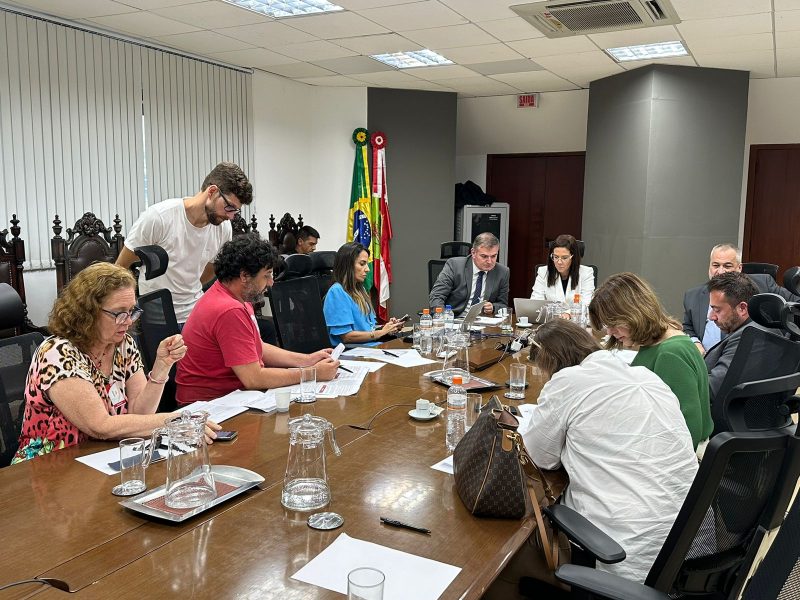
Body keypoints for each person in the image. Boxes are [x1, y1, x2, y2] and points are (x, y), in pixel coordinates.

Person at [485, 320, 697, 597]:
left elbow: (540, 457)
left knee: (509, 553)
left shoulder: (568, 381)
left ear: (551, 361)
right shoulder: (646, 376)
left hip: (624, 551)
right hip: (690, 541)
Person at [12, 263, 219, 464]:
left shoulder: (122, 343)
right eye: (119, 313)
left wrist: (162, 367)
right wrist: (175, 421)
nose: (128, 321)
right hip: (49, 465)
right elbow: (100, 426)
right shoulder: (58, 353)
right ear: (88, 312)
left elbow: (140, 415)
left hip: (103, 456)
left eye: (131, 312)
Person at [176, 235, 339, 404]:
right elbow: (253, 378)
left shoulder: (236, 296)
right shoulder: (229, 309)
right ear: (245, 276)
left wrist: (307, 360)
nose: (271, 283)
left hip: (228, 397)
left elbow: (256, 346)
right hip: (208, 407)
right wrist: (312, 374)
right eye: (267, 275)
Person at [116, 162, 254, 324]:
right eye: (229, 207)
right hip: (156, 314)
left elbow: (212, 267)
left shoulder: (223, 228)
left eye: (235, 211)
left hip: (195, 311)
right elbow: (120, 267)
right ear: (212, 191)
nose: (231, 216)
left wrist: (186, 287)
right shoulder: (159, 217)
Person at [589, 272, 712, 449]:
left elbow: (689, 430)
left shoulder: (670, 354)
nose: (609, 332)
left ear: (634, 314)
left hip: (677, 459)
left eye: (613, 324)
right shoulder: (658, 342)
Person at [683, 243, 800, 353]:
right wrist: (695, 342)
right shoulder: (692, 295)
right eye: (716, 265)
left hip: (747, 354)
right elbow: (688, 326)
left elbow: (795, 303)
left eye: (727, 266)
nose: (720, 271)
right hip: (705, 359)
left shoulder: (764, 283)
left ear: (739, 268)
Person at [323, 242, 404, 346]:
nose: (367, 269)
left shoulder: (360, 290)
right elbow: (346, 337)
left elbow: (368, 327)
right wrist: (380, 333)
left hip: (370, 348)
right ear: (348, 265)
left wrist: (387, 328)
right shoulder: (337, 292)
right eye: (362, 264)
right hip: (352, 353)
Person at [704, 272, 766, 401]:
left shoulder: (748, 338)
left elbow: (710, 390)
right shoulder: (761, 328)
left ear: (742, 308)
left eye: (717, 310)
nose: (711, 317)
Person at [429, 232, 509, 316]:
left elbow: (503, 305)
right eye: (484, 256)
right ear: (473, 253)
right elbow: (436, 296)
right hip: (454, 320)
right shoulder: (454, 265)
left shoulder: (503, 272)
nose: (489, 261)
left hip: (484, 323)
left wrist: (493, 307)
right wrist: (444, 318)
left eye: (493, 256)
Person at [530, 234, 594, 303]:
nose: (559, 262)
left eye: (564, 258)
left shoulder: (586, 273)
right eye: (556, 257)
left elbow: (587, 303)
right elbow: (536, 301)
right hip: (550, 313)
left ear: (573, 257)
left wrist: (568, 313)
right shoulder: (543, 272)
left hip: (575, 314)